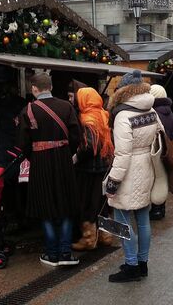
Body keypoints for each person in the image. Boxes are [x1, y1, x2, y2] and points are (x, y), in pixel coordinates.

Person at [17, 73, 81, 267]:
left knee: (45, 209)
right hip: (63, 161)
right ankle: (65, 253)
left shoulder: (28, 110)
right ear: (51, 87)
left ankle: (51, 254)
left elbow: (22, 143)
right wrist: (66, 152)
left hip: (40, 162)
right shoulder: (66, 106)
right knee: (66, 207)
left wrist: (34, 155)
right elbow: (76, 136)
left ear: (34, 89)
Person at [105, 70, 161, 283]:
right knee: (143, 219)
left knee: (121, 221)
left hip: (128, 173)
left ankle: (131, 266)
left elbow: (122, 154)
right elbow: (159, 137)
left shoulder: (123, 115)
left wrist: (113, 182)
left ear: (124, 91)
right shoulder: (151, 110)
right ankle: (142, 263)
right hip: (146, 166)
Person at [71, 87, 115, 251]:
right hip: (105, 167)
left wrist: (76, 157)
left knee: (87, 204)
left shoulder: (87, 119)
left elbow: (89, 146)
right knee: (102, 203)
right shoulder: (104, 115)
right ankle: (106, 236)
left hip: (90, 169)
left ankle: (88, 239)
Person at [0, 83, 27, 229]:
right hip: (21, 154)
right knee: (21, 187)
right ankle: (22, 217)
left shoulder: (0, 107)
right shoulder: (25, 106)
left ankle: (8, 219)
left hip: (4, 153)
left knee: (6, 189)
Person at [149, 84, 173, 220]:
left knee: (155, 179)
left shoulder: (153, 112)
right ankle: (162, 208)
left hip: (155, 150)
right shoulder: (169, 111)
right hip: (167, 150)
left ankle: (155, 209)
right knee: (163, 178)